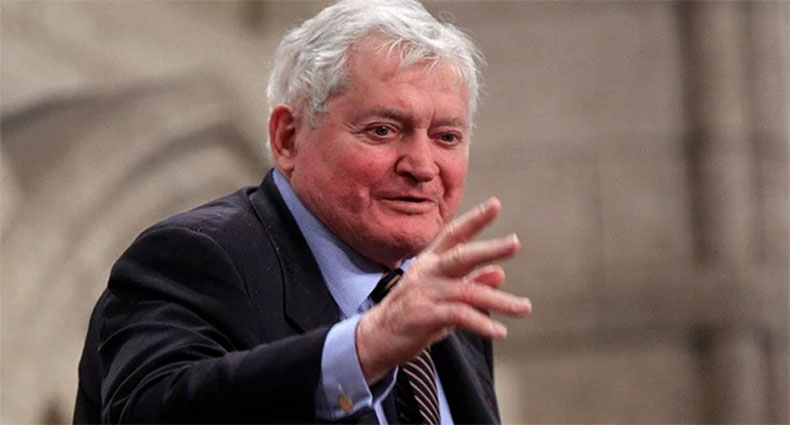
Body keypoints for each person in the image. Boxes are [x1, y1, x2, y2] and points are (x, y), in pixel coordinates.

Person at [74, 0, 532, 423]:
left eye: (446, 137)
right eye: (382, 130)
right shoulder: (194, 257)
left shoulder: (445, 307)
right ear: (288, 138)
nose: (422, 167)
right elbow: (149, 410)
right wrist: (365, 347)